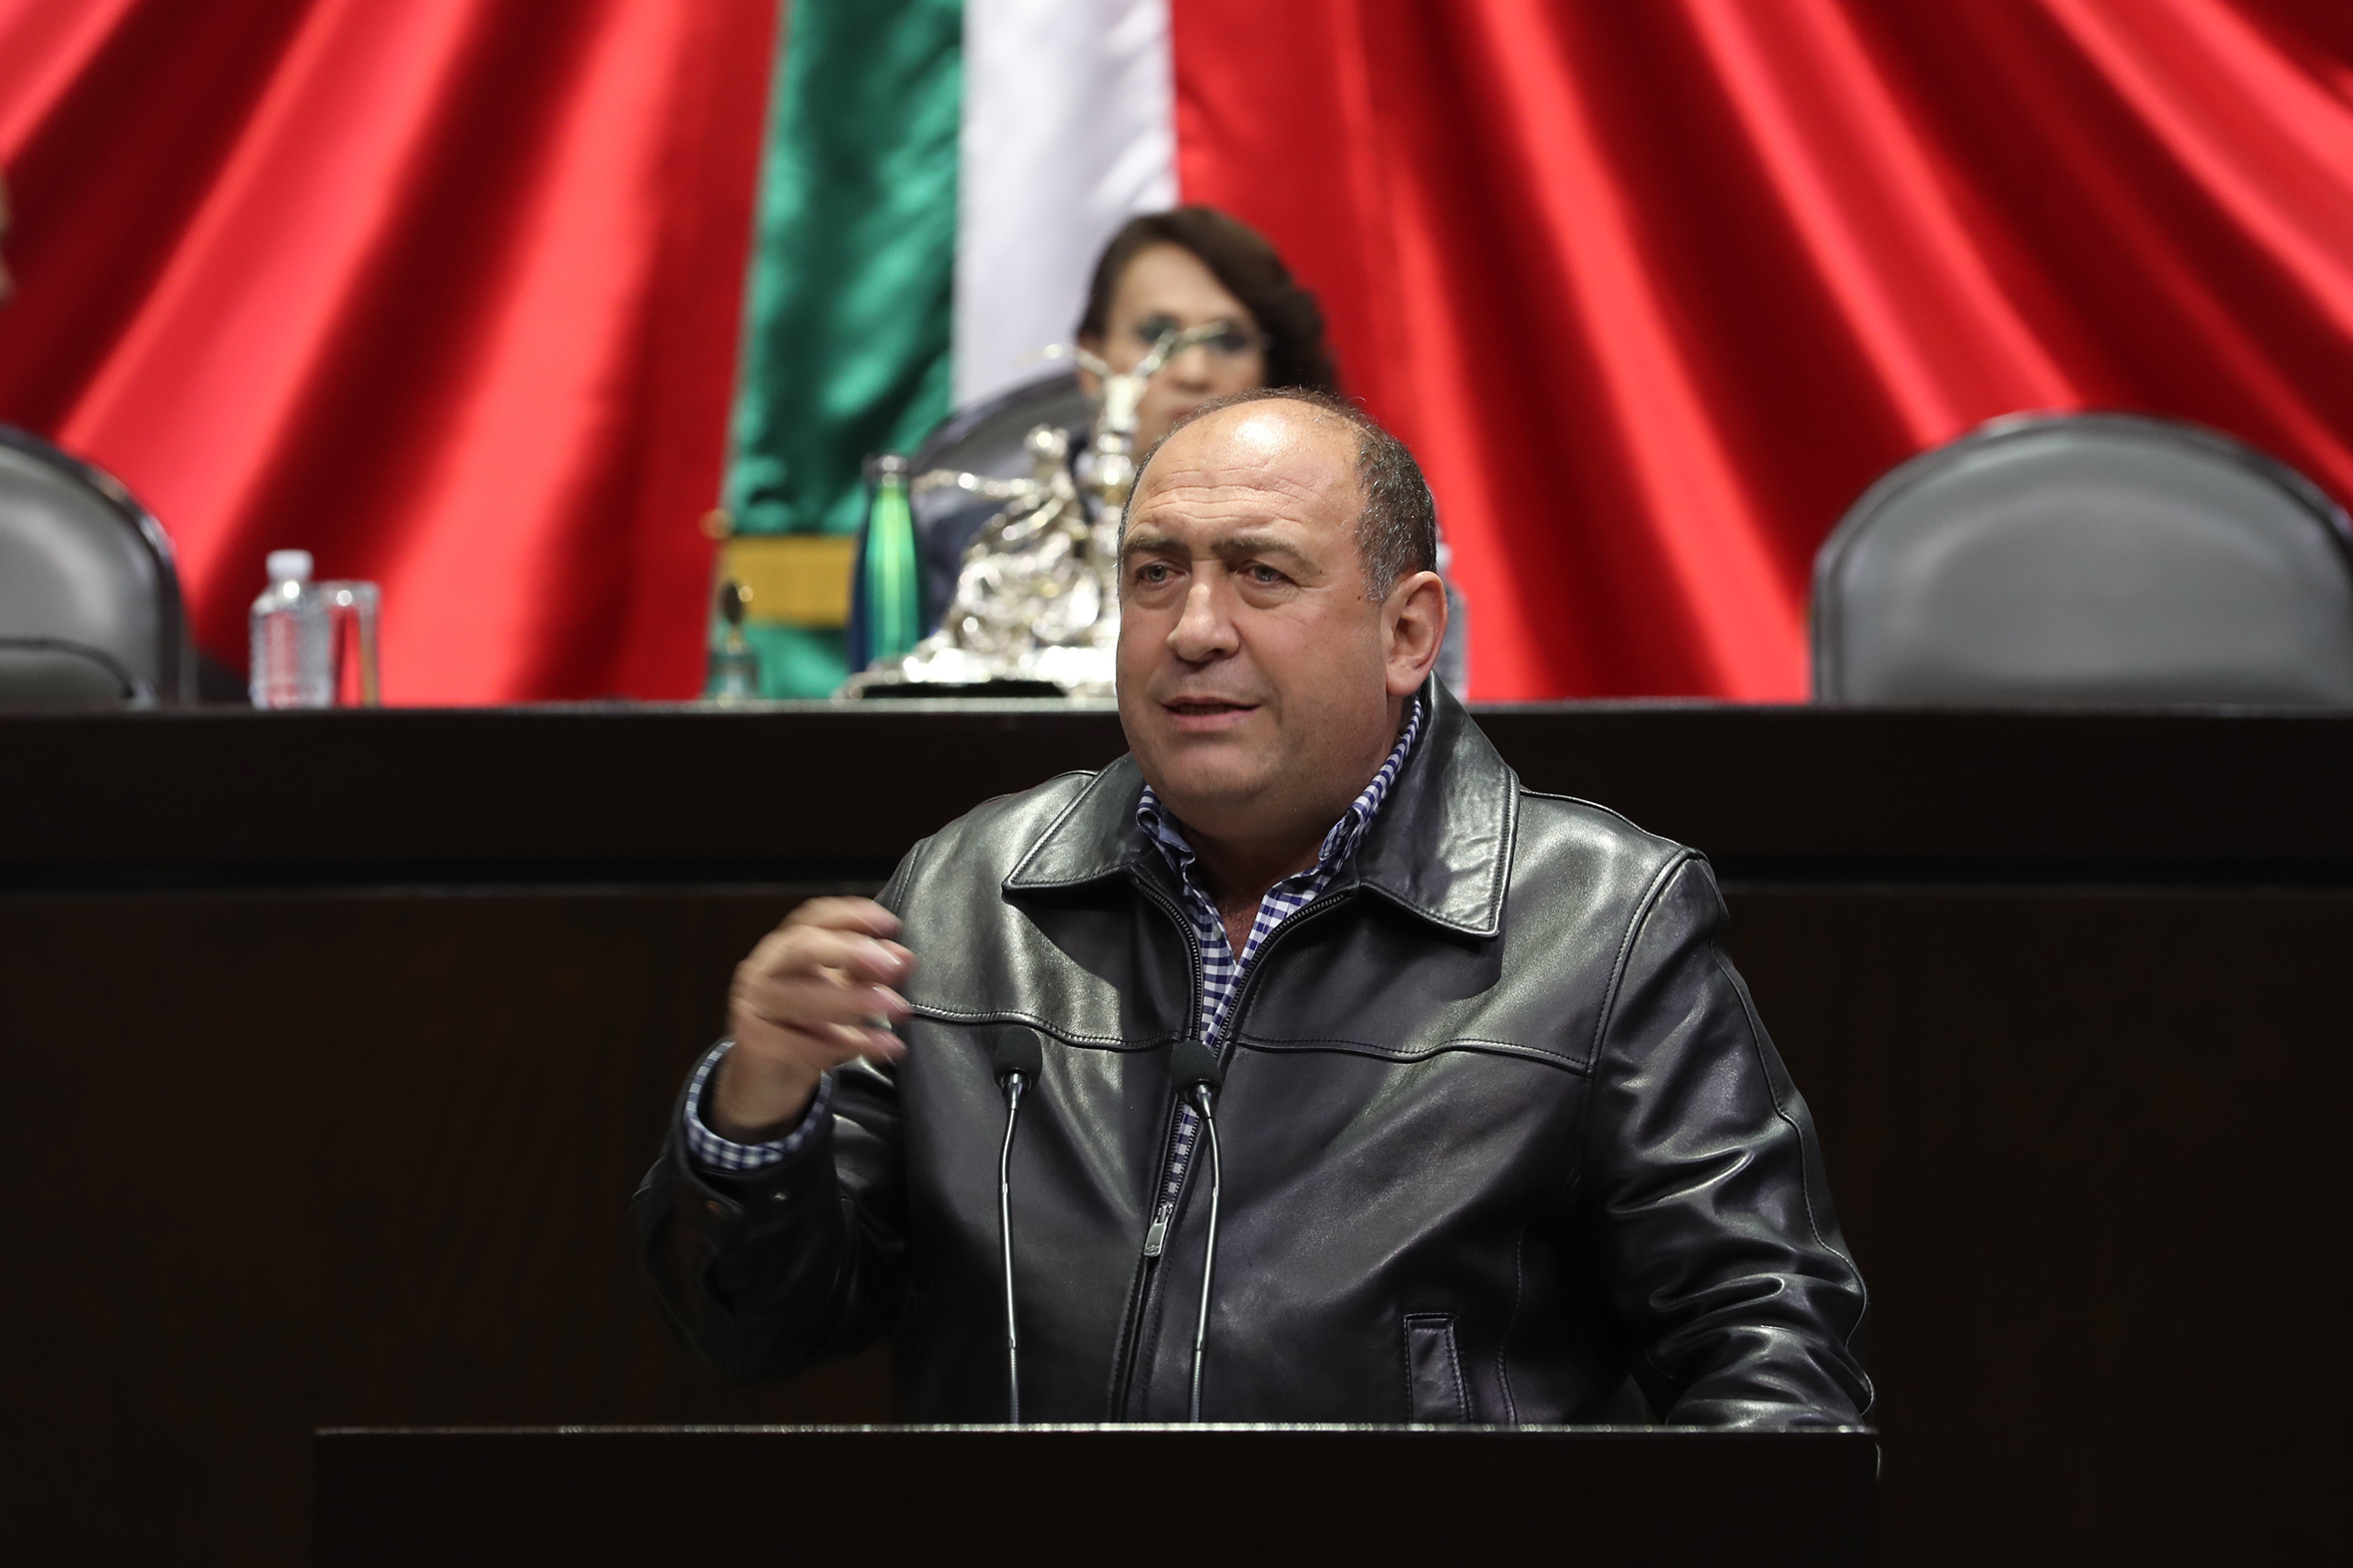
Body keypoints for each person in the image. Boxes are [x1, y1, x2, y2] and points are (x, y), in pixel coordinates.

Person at [640, 389, 1871, 1426]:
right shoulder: (971, 892)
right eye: (1155, 574)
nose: (1193, 630)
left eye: (1261, 575)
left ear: (1407, 631)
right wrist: (761, 1110)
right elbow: (756, 1329)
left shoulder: (1599, 920)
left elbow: (1769, 1360)